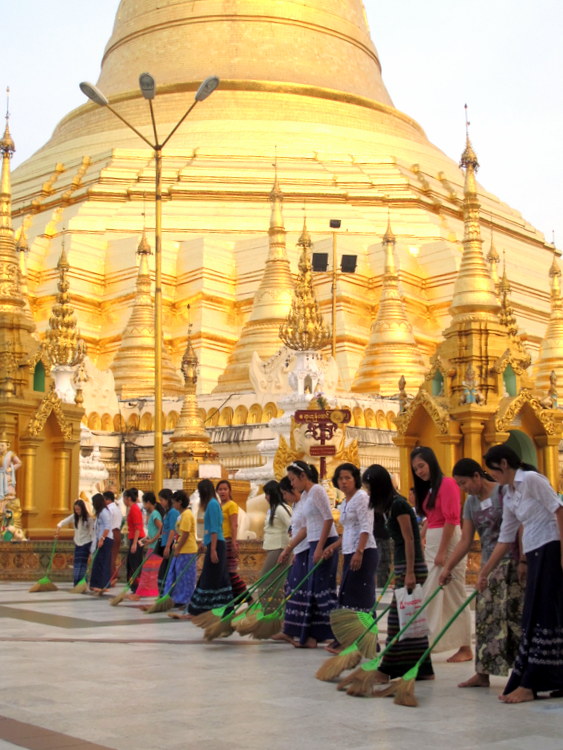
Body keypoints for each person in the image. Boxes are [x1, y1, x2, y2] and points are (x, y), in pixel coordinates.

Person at [478, 444, 563, 703]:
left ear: (504, 464)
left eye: (493, 471)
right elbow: (506, 536)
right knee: (534, 614)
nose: (492, 477)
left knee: (545, 614)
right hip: (536, 552)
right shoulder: (509, 492)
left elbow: (559, 511)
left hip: (551, 548)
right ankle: (546, 678)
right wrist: (484, 571)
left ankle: (533, 683)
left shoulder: (532, 480)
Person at [439, 458, 523, 688]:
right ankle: (483, 672)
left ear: (477, 476)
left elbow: (517, 529)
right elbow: (466, 540)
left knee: (514, 618)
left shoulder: (504, 493)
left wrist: (524, 559)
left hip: (511, 564)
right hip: (488, 566)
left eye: (464, 482)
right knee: (486, 618)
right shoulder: (470, 503)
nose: (463, 488)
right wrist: (447, 567)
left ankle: (521, 672)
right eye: (459, 484)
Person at [360, 464, 433, 682]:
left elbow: (410, 539)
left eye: (370, 489)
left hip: (413, 567)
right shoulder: (390, 506)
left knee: (397, 621)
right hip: (404, 566)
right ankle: (423, 669)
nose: (369, 494)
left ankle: (388, 669)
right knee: (408, 619)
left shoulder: (399, 505)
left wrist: (409, 572)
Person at [410, 446, 472, 662]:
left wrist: (443, 552)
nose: (419, 471)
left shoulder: (447, 484)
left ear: (431, 462)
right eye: (415, 469)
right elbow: (432, 516)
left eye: (421, 466)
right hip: (435, 542)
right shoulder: (430, 488)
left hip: (449, 542)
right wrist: (423, 534)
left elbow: (451, 519)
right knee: (434, 592)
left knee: (453, 593)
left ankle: (464, 647)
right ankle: (432, 642)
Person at [283, 460, 338, 648]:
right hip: (314, 542)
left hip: (325, 542)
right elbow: (306, 527)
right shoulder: (306, 495)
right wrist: (289, 548)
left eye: (293, 479)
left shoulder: (317, 491)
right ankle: (312, 637)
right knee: (313, 592)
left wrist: (321, 547)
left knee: (322, 592)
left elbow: (328, 518)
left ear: (303, 476)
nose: (292, 484)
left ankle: (342, 633)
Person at [323, 463, 378, 651]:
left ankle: (366, 641)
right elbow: (348, 530)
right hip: (349, 551)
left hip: (364, 552)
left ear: (355, 478)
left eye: (348, 477)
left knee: (360, 597)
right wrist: (333, 546)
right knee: (347, 595)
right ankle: (349, 638)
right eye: (340, 478)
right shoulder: (345, 502)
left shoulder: (362, 498)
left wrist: (359, 552)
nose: (344, 482)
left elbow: (366, 527)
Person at [188, 479, 232, 616]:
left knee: (212, 576)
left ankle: (205, 608)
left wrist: (212, 550)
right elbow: (208, 529)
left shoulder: (212, 504)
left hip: (217, 544)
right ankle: (211, 607)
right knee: (214, 576)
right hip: (213, 543)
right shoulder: (212, 504)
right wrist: (203, 544)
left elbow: (214, 529)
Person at [258, 479, 292, 611]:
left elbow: (292, 526)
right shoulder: (272, 509)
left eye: (268, 494)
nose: (266, 497)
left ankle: (272, 609)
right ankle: (273, 610)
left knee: (267, 580)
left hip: (279, 548)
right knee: (273, 581)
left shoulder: (280, 509)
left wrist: (289, 550)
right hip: (273, 548)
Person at [165, 490, 199, 615]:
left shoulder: (187, 515)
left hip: (187, 550)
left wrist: (178, 549)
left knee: (186, 577)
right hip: (182, 549)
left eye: (174, 502)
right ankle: (179, 598)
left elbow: (185, 534)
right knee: (179, 575)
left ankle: (186, 599)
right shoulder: (182, 515)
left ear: (179, 502)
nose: (173, 505)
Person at [216, 479, 249, 600]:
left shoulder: (232, 505)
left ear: (230, 491)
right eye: (220, 489)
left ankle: (248, 598)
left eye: (225, 489)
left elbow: (234, 524)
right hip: (220, 540)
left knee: (231, 573)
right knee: (224, 573)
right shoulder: (219, 506)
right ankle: (231, 599)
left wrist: (234, 542)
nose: (222, 491)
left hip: (228, 541)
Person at [129, 492, 163, 599]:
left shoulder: (155, 514)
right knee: (148, 571)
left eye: (144, 503)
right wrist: (145, 540)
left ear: (148, 502)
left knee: (148, 571)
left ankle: (144, 592)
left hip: (155, 546)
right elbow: (152, 531)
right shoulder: (151, 514)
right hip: (151, 545)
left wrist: (152, 539)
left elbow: (162, 529)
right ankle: (145, 592)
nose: (143, 505)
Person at [56, 499, 94, 586]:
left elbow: (92, 533)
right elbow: (62, 522)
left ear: (83, 509)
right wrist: (58, 529)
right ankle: (76, 582)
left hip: (86, 543)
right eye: (76, 510)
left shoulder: (89, 519)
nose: (77, 511)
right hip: (78, 543)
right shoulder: (74, 517)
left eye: (78, 509)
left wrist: (92, 548)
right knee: (77, 564)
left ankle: (82, 582)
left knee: (83, 564)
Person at [123, 487, 145, 594]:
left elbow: (138, 527)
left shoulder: (134, 509)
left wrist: (135, 543)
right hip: (134, 538)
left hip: (137, 539)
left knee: (135, 564)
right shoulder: (132, 508)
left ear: (127, 498)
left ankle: (136, 587)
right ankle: (133, 586)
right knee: (131, 564)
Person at [89, 492, 113, 592]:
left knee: (103, 562)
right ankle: (95, 584)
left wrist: (102, 539)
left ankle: (103, 585)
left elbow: (107, 527)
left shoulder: (104, 512)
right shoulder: (100, 512)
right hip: (101, 539)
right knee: (97, 562)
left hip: (105, 539)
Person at [156, 488, 177, 592]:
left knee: (166, 570)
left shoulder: (173, 512)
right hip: (165, 542)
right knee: (163, 570)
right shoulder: (167, 512)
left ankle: (167, 593)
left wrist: (168, 546)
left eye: (162, 500)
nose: (161, 503)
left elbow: (173, 530)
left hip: (170, 544)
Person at [103, 491, 123, 586]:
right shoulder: (117, 509)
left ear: (107, 499)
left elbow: (107, 523)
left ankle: (111, 578)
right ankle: (113, 576)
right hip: (117, 532)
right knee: (113, 557)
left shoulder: (109, 509)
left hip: (111, 533)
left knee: (109, 557)